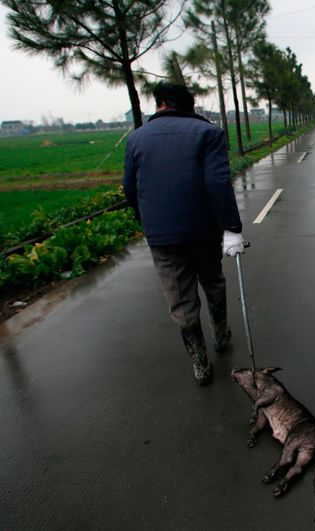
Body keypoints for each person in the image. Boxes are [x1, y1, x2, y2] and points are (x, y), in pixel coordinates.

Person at [123, 82, 244, 386]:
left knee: (180, 299)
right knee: (213, 282)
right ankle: (220, 335)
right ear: (188, 106)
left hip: (162, 236)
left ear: (161, 103)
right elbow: (218, 183)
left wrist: (148, 220)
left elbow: (129, 188)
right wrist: (232, 228)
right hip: (203, 230)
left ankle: (200, 365)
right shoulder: (208, 133)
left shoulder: (137, 138)